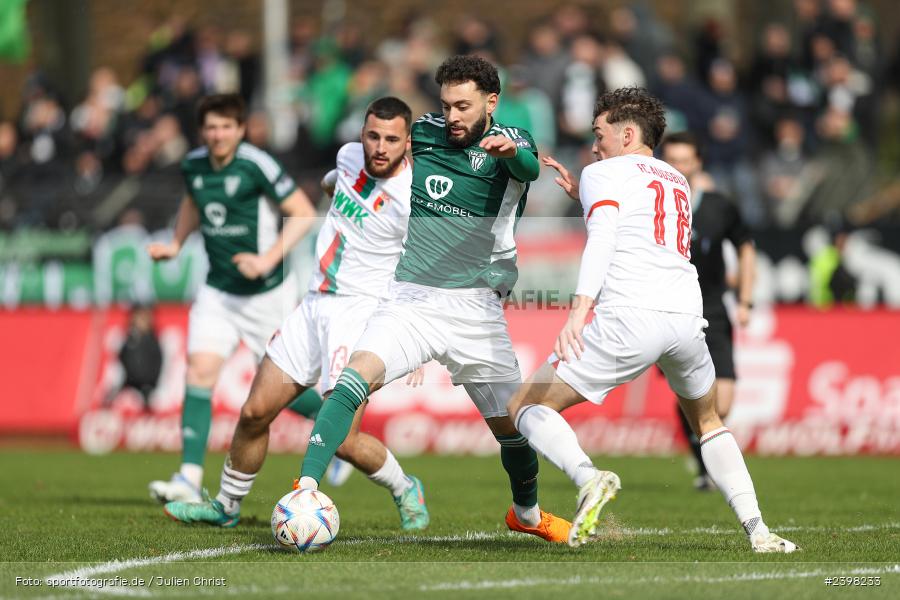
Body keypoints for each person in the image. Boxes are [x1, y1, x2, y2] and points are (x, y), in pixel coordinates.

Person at [295, 55, 572, 543]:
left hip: (475, 308)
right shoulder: (423, 132)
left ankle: (527, 514)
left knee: (512, 428)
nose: (452, 116)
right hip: (412, 298)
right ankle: (305, 490)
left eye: (463, 106)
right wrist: (339, 180)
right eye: (446, 106)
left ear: (491, 102)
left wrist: (510, 152)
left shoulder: (513, 140)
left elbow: (528, 169)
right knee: (351, 379)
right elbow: (379, 156)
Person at [515, 87, 797, 552]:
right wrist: (584, 195)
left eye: (599, 134)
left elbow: (604, 238)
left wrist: (578, 311)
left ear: (627, 134)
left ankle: (588, 479)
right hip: (687, 319)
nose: (593, 146)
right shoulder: (676, 178)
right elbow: (641, 223)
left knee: (525, 406)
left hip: (630, 317)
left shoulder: (603, 172)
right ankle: (759, 530)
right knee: (709, 422)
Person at [161, 97, 429, 530]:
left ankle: (404, 486)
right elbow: (332, 185)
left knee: (344, 441)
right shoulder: (347, 157)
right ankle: (226, 506)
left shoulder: (411, 198)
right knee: (254, 412)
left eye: (392, 139)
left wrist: (410, 343)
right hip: (314, 304)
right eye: (373, 136)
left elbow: (423, 272)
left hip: (360, 315)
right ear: (361, 133)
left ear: (408, 142)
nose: (380, 147)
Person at [146, 93, 331, 503]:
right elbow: (193, 203)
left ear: (241, 129)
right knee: (199, 371)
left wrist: (266, 260)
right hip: (218, 291)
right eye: (211, 127)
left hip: (267, 294)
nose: (218, 135)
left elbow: (303, 212)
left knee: (280, 388)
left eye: (226, 127)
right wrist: (176, 244)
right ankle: (189, 479)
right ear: (202, 131)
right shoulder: (194, 165)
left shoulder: (256, 164)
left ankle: (332, 429)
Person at [660, 132, 756, 491]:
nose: (678, 167)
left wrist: (745, 300)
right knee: (695, 394)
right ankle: (705, 470)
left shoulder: (718, 206)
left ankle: (698, 444)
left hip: (713, 310)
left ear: (697, 163)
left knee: (722, 401)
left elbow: (746, 247)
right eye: (672, 160)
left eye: (684, 160)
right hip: (672, 312)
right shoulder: (653, 204)